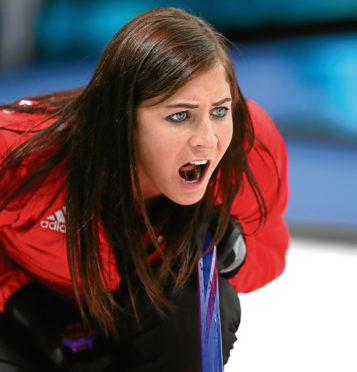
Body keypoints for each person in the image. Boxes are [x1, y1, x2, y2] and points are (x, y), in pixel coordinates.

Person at [0, 7, 289, 371]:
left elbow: (271, 247)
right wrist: (26, 304)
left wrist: (236, 251)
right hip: (26, 326)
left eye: (219, 111)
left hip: (140, 318)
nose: (208, 140)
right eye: (179, 116)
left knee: (200, 309)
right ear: (121, 119)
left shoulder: (249, 144)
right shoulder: (20, 151)